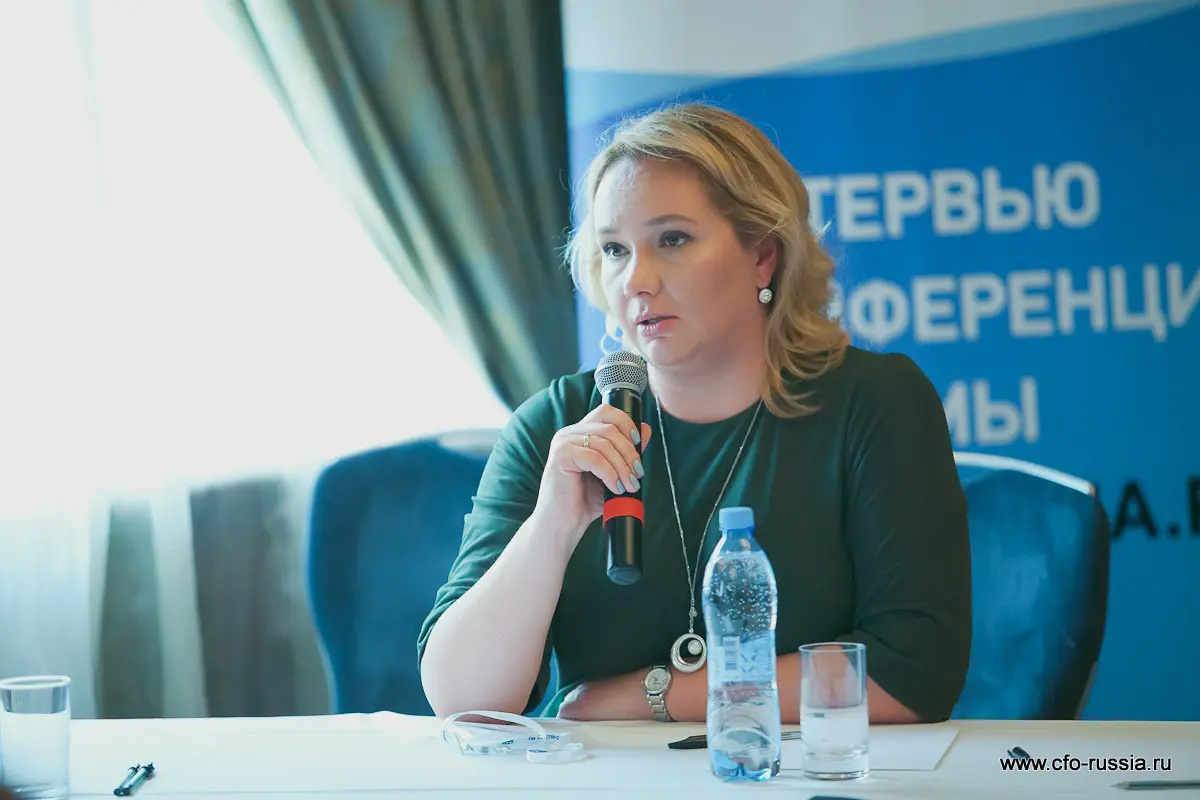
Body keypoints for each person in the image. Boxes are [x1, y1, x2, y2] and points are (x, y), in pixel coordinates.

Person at [417, 101, 971, 725]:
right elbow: (463, 700)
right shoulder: (557, 426)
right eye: (615, 250)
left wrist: (651, 696)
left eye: (672, 240)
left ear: (762, 256)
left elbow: (913, 671)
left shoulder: (875, 402)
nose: (637, 280)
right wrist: (554, 524)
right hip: (603, 775)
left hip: (800, 770)